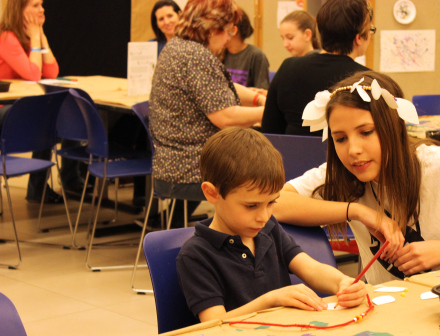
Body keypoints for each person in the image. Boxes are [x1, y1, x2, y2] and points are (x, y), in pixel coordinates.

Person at [273, 71, 440, 286]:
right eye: (340, 138)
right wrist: (359, 211)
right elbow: (274, 203)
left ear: (392, 127)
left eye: (366, 132)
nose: (353, 149)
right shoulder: (346, 173)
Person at [176, 127, 367, 322]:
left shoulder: (268, 229)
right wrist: (271, 300)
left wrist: (342, 282)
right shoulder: (196, 254)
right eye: (251, 206)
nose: (263, 216)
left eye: (271, 203)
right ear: (212, 194)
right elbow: (213, 322)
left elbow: (311, 269)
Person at [149, 0, 265, 229]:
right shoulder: (195, 56)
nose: (229, 38)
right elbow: (225, 117)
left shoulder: (179, 46)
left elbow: (220, 86)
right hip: (189, 167)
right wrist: (267, 111)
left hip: (173, 162)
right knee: (264, 176)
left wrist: (256, 98)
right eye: (228, 31)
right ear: (213, 30)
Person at [262, 0, 372, 136]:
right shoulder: (367, 80)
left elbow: (270, 132)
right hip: (344, 157)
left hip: (291, 155)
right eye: (370, 30)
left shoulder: (288, 68)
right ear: (358, 38)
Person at [0, 0, 62, 203]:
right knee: (43, 115)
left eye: (42, 4)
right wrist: (36, 37)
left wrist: (41, 37)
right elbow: (34, 74)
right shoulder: (6, 37)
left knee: (50, 115)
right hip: (4, 110)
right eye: (35, 5)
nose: (42, 9)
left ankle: (38, 189)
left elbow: (52, 72)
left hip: (18, 107)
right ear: (19, 10)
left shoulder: (27, 38)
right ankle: (38, 187)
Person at [222, 8, 270, 90]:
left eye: (221, 28)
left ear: (233, 31)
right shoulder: (218, 53)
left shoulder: (256, 55)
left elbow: (262, 92)